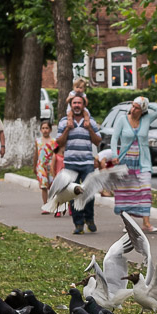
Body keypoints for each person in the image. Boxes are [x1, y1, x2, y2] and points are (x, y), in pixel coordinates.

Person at [107, 95, 157, 234]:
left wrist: (145, 102)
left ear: (142, 111)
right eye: (133, 106)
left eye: (137, 108)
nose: (133, 110)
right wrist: (114, 155)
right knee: (127, 193)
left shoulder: (146, 119)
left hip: (143, 163)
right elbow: (114, 138)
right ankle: (129, 224)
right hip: (125, 162)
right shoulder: (122, 119)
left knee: (145, 190)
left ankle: (146, 223)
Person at [54, 93, 102, 233]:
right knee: (73, 193)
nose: (76, 105)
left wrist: (89, 129)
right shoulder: (64, 121)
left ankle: (89, 218)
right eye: (74, 103)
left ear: (84, 105)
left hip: (87, 162)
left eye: (79, 103)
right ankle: (78, 224)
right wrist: (67, 129)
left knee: (89, 192)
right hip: (71, 162)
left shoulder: (90, 121)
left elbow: (98, 141)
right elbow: (59, 142)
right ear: (71, 105)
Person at [32, 119, 58, 212]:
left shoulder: (54, 141)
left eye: (47, 128)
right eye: (43, 128)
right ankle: (45, 204)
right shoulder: (38, 141)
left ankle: (53, 204)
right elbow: (36, 154)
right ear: (40, 130)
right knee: (43, 186)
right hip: (41, 166)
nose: (45, 130)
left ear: (50, 129)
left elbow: (56, 154)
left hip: (51, 166)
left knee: (52, 186)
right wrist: (34, 166)